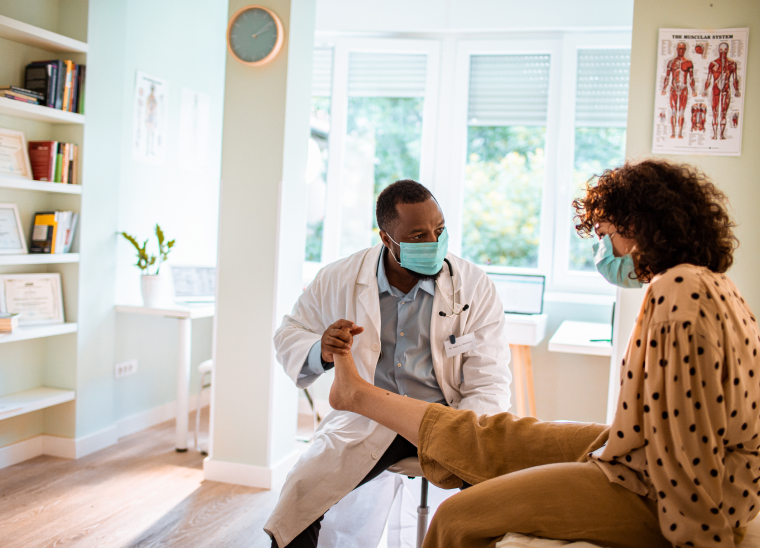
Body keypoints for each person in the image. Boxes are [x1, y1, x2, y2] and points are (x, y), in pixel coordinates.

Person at [327, 160, 759, 548]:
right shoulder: (710, 285)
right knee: (496, 434)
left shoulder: (678, 293)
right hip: (639, 450)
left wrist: (707, 540)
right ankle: (359, 394)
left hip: (654, 484)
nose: (603, 249)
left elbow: (690, 452)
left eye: (606, 235)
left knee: (458, 516)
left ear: (640, 227)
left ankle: (358, 396)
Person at [264, 180, 512, 547]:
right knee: (297, 501)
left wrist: (468, 437)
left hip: (449, 418)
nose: (434, 243)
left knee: (500, 506)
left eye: (439, 231)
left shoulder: (474, 287)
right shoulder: (341, 277)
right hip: (371, 418)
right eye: (418, 236)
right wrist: (321, 348)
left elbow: (488, 381)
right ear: (386, 238)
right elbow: (290, 331)